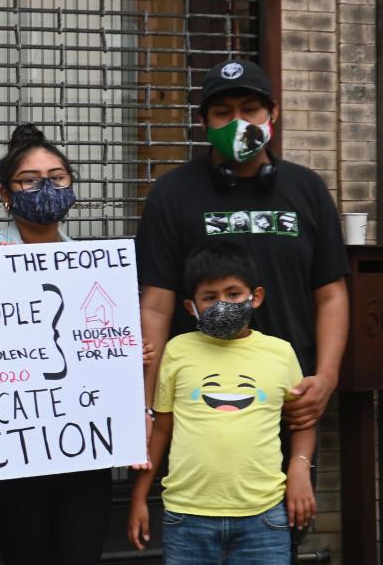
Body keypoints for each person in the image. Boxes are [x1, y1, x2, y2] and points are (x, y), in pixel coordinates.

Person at [136, 59, 349, 447]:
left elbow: (331, 293)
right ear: (204, 122)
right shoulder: (171, 195)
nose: (238, 122)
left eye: (250, 110)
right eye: (223, 113)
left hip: (289, 398)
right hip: (198, 401)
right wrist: (146, 404)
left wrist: (327, 377)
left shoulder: (308, 190)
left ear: (273, 113)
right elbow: (155, 305)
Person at [0, 124, 112, 565]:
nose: (46, 187)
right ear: (5, 194)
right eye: (29, 180)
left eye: (58, 176)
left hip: (83, 453)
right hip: (10, 451)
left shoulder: (96, 269)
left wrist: (125, 352)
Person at [128, 241, 316, 564]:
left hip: (264, 518)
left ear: (255, 297)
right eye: (210, 297)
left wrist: (299, 468)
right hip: (187, 517)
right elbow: (161, 428)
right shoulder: (177, 351)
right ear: (191, 307)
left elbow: (303, 419)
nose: (222, 304)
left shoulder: (280, 353)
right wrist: (139, 497)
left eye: (233, 294)